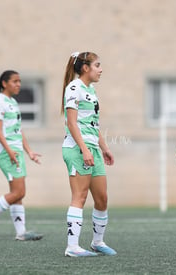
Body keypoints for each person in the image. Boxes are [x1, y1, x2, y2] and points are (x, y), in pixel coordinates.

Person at [61, 52, 116, 257]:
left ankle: (97, 242)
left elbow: (93, 124)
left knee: (102, 198)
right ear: (86, 68)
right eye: (97, 65)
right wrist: (84, 150)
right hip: (77, 148)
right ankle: (72, 247)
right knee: (80, 196)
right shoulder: (74, 88)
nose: (101, 69)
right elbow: (72, 123)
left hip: (92, 149)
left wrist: (104, 148)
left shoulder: (91, 90)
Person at [0, 70, 43, 241]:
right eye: (15, 81)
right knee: (18, 192)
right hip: (7, 153)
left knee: (18, 192)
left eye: (20, 81)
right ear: (4, 83)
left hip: (16, 152)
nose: (18, 84)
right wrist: (9, 152)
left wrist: (29, 152)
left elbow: (18, 130)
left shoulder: (13, 102)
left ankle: (21, 232)